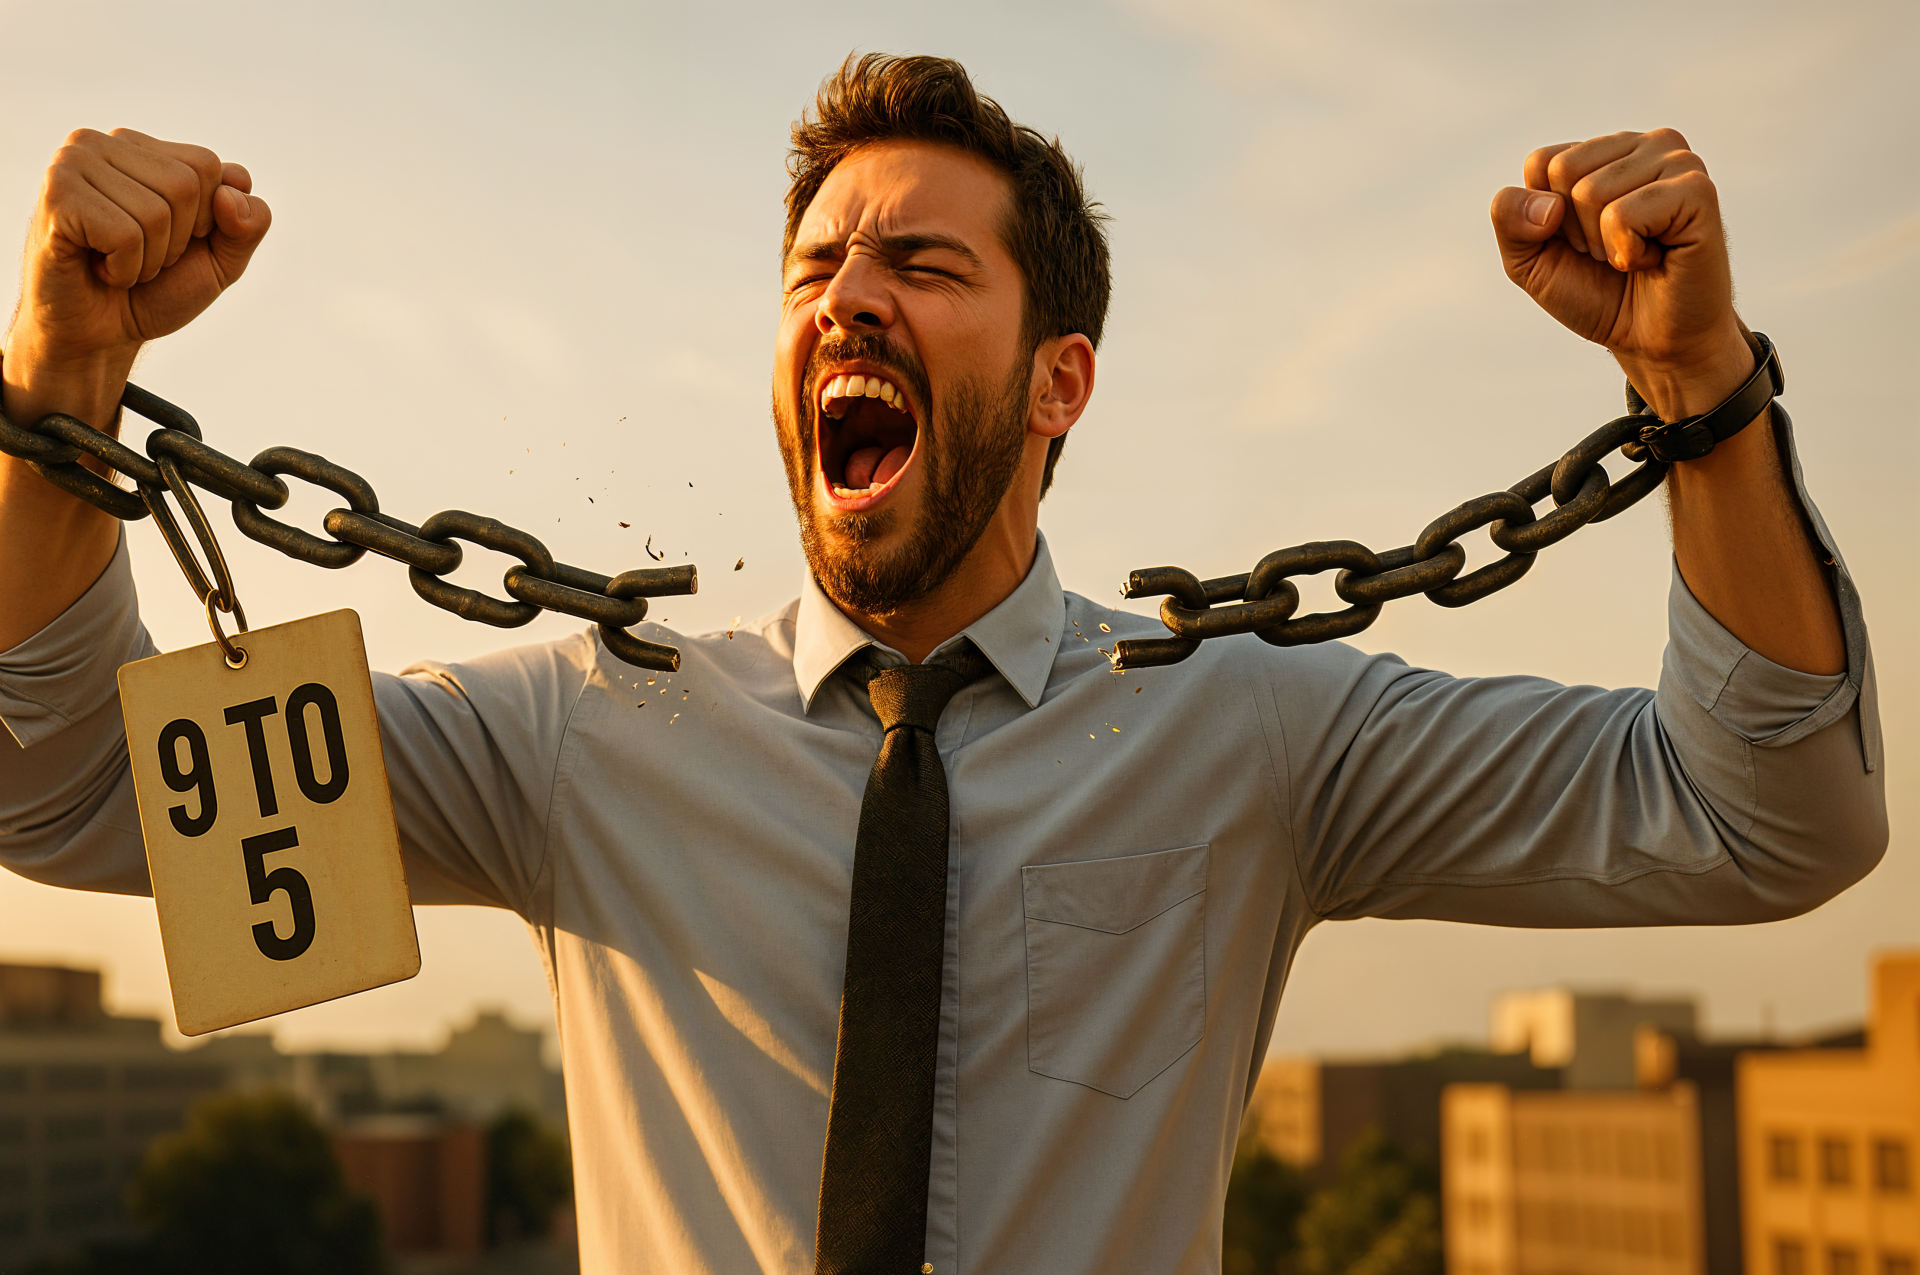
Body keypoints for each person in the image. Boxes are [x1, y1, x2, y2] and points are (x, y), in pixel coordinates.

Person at [0, 52, 1885, 1275]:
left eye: (925, 263)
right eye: (817, 265)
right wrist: (62, 390)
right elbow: (64, 790)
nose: (848, 296)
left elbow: (1764, 819)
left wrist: (1697, 390)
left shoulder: (1246, 732)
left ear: (1062, 377)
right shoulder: (583, 732)